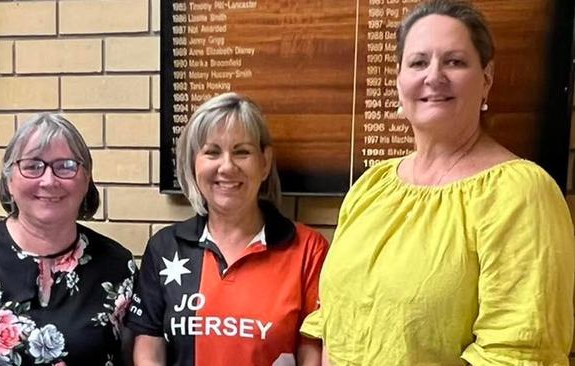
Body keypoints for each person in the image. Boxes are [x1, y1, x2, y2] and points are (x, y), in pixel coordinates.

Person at [301, 0, 575, 364]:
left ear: (487, 78)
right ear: (399, 79)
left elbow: (518, 353)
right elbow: (330, 321)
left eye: (454, 61)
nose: (434, 76)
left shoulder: (520, 194)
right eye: (418, 62)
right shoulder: (372, 186)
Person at [125, 92, 329, 366]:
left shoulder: (308, 250)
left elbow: (313, 353)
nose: (227, 167)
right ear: (193, 163)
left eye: (242, 152)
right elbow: (149, 347)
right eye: (212, 152)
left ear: (265, 162)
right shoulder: (165, 247)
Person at [0, 113, 136, 365]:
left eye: (66, 166)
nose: (49, 181)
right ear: (9, 180)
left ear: (86, 180)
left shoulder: (117, 267)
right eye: (32, 166)